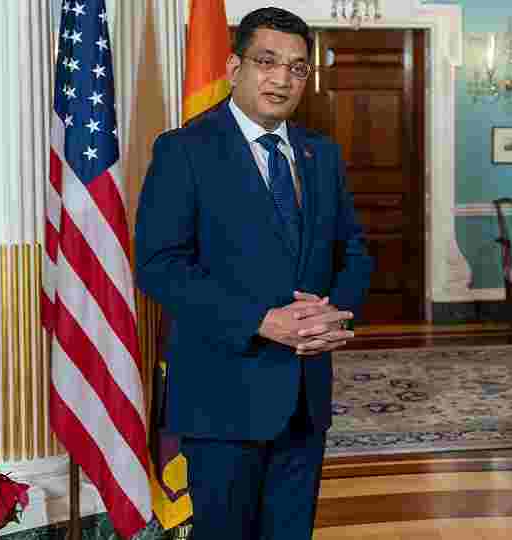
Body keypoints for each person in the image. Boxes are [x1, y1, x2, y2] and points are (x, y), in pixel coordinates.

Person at [135, 7, 373, 539]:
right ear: (233, 67)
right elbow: (159, 266)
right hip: (222, 400)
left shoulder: (321, 153)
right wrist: (260, 320)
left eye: (297, 67)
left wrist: (333, 314)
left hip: (305, 401)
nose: (282, 79)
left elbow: (354, 251)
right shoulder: (184, 150)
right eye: (267, 61)